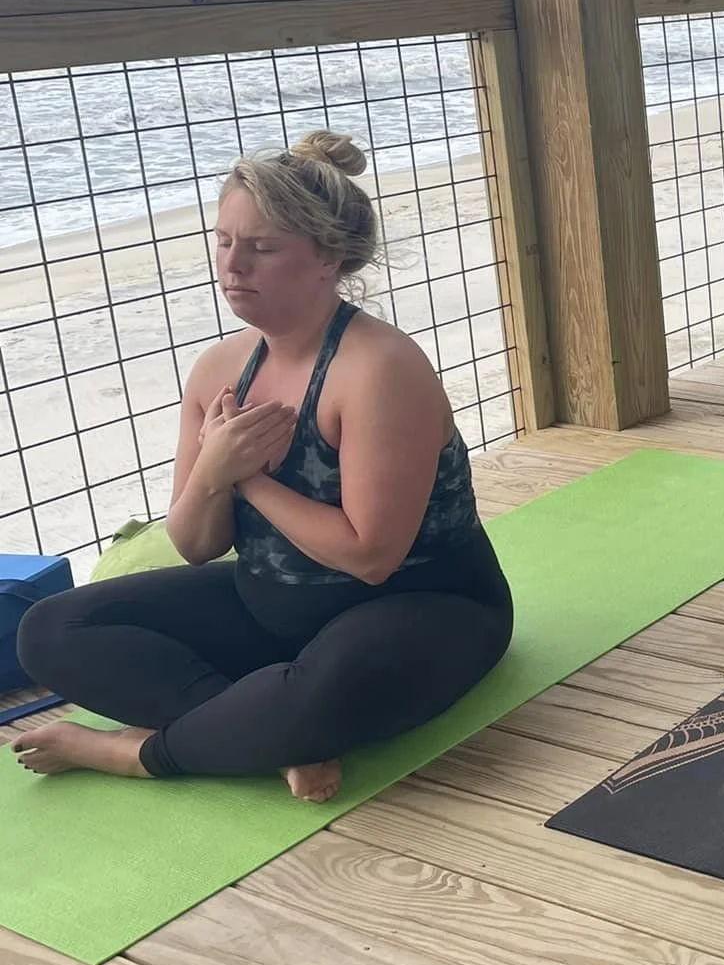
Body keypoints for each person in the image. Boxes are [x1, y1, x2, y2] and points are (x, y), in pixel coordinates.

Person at [10, 133, 513, 803]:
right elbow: (195, 545)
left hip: (420, 607)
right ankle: (265, 735)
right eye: (224, 241)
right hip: (270, 606)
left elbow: (370, 556)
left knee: (321, 694)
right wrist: (214, 472)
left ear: (328, 258)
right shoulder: (220, 370)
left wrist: (247, 476)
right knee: (49, 630)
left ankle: (138, 752)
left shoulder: (379, 370)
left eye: (263, 248)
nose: (232, 265)